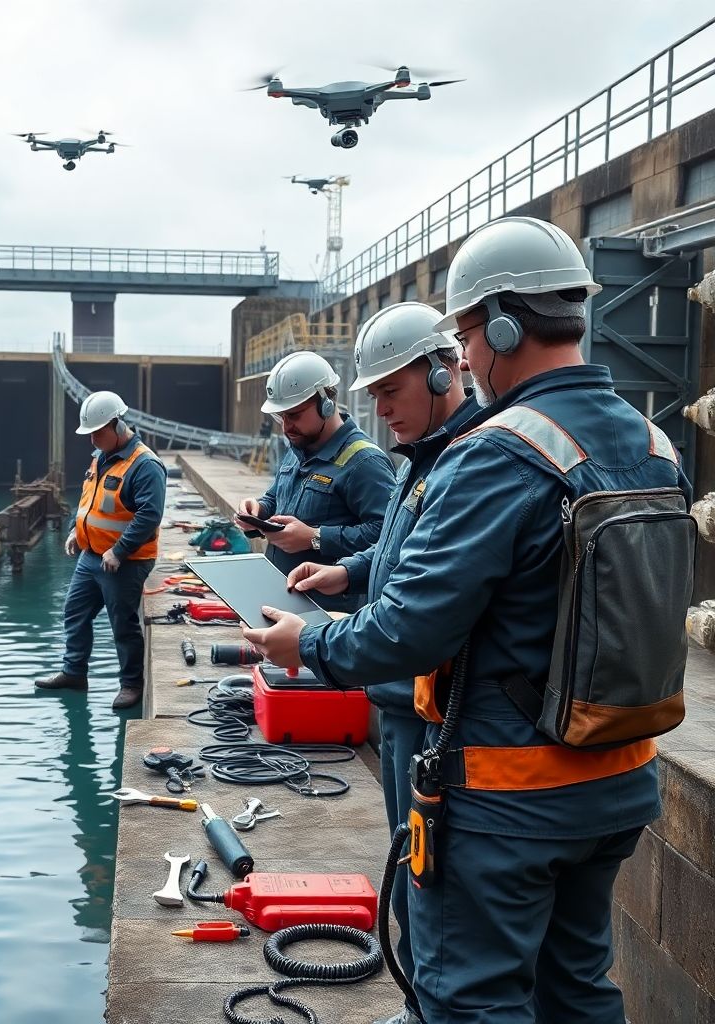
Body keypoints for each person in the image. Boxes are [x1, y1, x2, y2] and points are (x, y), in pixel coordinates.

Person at [241, 216, 690, 1023]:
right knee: (577, 989)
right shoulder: (655, 445)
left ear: (503, 327)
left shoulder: (497, 452)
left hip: (511, 796)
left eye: (470, 336)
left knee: (471, 1001)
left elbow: (407, 630)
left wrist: (306, 643)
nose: (468, 356)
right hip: (620, 781)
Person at [285, 303, 476, 1024]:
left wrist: (311, 644)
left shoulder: (470, 460)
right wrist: (347, 571)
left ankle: (427, 1006)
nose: (382, 409)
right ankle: (421, 1002)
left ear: (445, 370)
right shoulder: (421, 456)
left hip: (428, 708)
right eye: (374, 395)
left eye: (391, 391)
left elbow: (414, 617)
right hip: (398, 701)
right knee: (411, 873)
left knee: (429, 884)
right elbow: (396, 547)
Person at [235, 350, 396, 612]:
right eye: (280, 417)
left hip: (327, 614)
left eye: (294, 415)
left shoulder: (364, 462)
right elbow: (277, 497)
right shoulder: (298, 447)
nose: (286, 427)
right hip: (282, 599)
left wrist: (315, 538)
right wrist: (259, 510)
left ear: (326, 404)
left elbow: (388, 535)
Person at [36, 391, 166, 711]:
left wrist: (119, 551)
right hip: (91, 555)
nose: (92, 439)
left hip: (125, 561)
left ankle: (131, 684)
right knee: (74, 611)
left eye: (97, 432)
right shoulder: (101, 456)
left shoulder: (145, 465)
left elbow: (149, 516)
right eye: (89, 433)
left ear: (118, 425)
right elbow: (89, 501)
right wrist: (74, 530)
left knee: (123, 623)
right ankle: (74, 672)